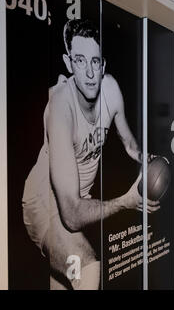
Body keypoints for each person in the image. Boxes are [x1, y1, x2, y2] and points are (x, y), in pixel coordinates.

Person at [22, 19, 159, 290]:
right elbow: (71, 214)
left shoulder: (110, 89)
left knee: (64, 280)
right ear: (68, 62)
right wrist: (124, 201)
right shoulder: (61, 105)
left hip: (78, 199)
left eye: (95, 62)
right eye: (80, 61)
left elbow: (129, 143)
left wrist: (147, 158)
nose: (88, 73)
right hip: (47, 204)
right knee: (88, 266)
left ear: (103, 65)